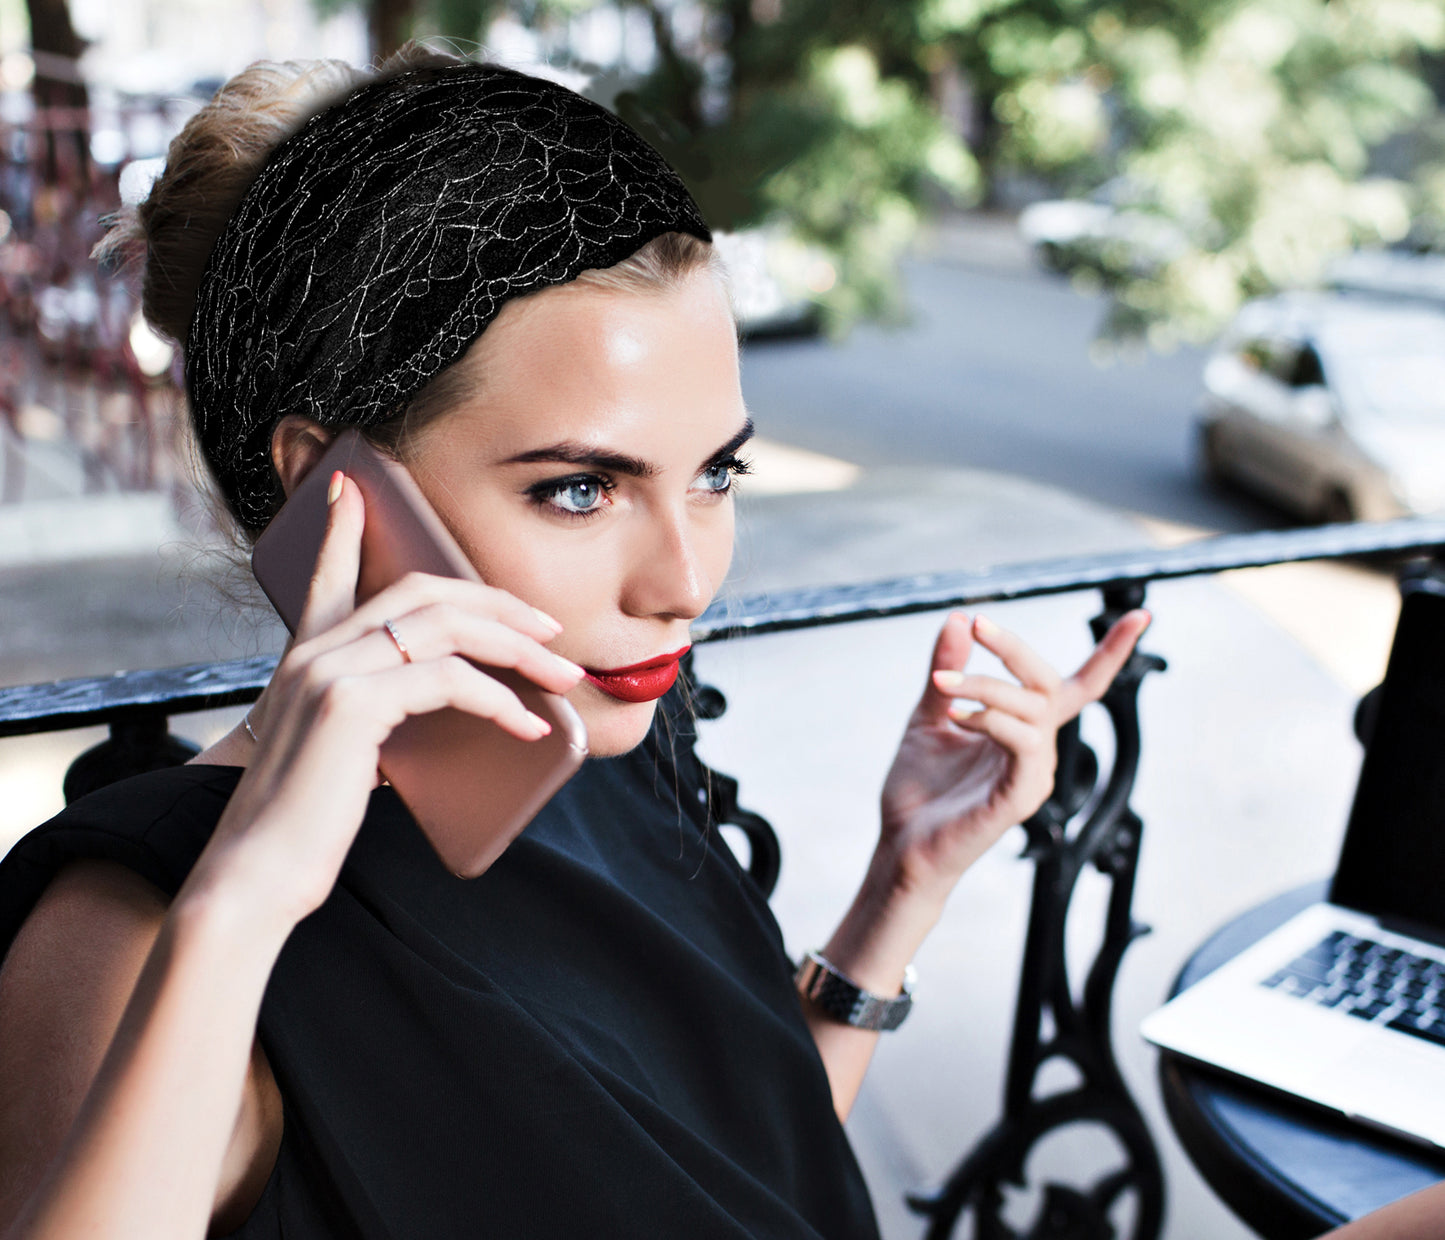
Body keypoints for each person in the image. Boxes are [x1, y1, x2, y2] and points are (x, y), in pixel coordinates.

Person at [0, 46, 1152, 1239]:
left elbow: (723, 1182)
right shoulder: (120, 930)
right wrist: (247, 897)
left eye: (716, 472)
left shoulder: (589, 752)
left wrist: (899, 890)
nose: (688, 580)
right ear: (330, 492)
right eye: (580, 490)